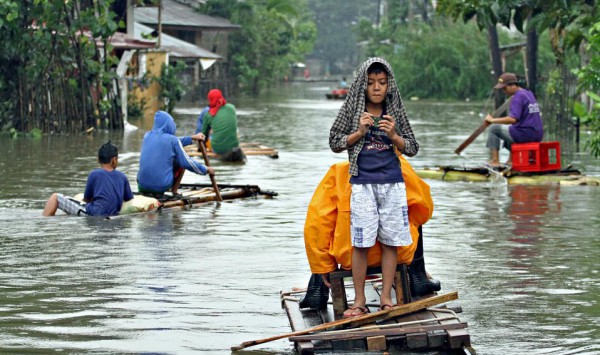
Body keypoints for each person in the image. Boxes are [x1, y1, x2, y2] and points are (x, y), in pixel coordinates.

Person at [329, 57, 420, 318]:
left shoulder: (395, 111)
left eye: (382, 82)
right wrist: (359, 131)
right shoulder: (353, 110)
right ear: (362, 86)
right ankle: (358, 301)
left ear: (389, 85)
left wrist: (394, 136)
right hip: (362, 184)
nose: (377, 87)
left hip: (392, 184)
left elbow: (412, 147)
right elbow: (334, 142)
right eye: (371, 83)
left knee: (391, 241)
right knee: (361, 242)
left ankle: (386, 298)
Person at [301, 156, 440, 311]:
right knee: (411, 216)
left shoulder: (340, 171)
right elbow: (424, 210)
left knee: (325, 226)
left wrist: (325, 266)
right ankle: (418, 277)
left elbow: (317, 224)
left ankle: (317, 290)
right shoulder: (398, 164)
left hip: (350, 255)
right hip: (398, 253)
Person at [43, 142, 134, 217]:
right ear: (114, 160)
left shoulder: (94, 174)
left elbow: (86, 200)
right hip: (111, 215)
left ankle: (44, 221)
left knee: (55, 197)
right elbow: (128, 199)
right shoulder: (122, 177)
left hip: (93, 213)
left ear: (98, 160)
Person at [137, 110, 214, 196]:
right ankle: (174, 191)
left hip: (141, 185)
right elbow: (187, 163)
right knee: (181, 160)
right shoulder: (173, 140)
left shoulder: (147, 136)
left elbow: (174, 141)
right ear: (169, 124)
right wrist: (206, 169)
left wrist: (192, 138)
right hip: (161, 186)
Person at [485, 72, 543, 167]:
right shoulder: (528, 93)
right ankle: (510, 161)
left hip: (525, 134)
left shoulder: (518, 97)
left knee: (493, 129)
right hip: (537, 134)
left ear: (513, 86)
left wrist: (492, 120)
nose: (504, 91)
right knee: (511, 129)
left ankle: (495, 161)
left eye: (505, 88)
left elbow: (512, 119)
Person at [200, 89, 246, 162]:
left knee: (210, 137)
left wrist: (201, 148)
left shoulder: (208, 115)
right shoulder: (232, 107)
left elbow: (203, 136)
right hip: (235, 145)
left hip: (218, 149)